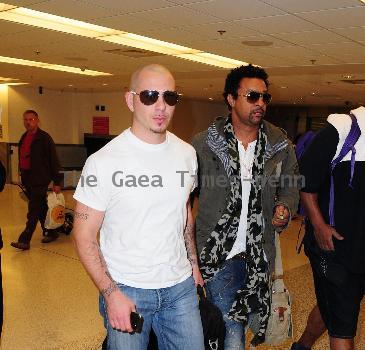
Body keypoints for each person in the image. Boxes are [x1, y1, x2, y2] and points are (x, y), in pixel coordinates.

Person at [73, 64, 204, 350]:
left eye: (169, 97)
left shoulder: (187, 154)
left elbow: (184, 215)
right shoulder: (103, 162)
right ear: (130, 99)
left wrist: (194, 267)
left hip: (180, 288)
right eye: (149, 96)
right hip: (127, 289)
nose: (161, 106)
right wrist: (111, 294)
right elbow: (83, 236)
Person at [192, 64, 299, 348]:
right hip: (218, 255)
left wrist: (285, 209)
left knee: (248, 321)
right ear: (231, 99)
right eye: (253, 96)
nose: (260, 103)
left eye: (265, 97)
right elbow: (184, 199)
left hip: (259, 254)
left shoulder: (280, 145)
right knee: (231, 330)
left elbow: (291, 187)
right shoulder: (205, 144)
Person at [293, 106, 365, 350]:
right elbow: (304, 180)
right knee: (343, 322)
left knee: (335, 308)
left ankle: (301, 346)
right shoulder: (343, 128)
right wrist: (320, 225)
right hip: (334, 247)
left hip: (360, 247)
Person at [10, 110, 63, 250]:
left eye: (31, 119)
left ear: (37, 120)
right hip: (28, 179)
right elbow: (23, 158)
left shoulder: (44, 138)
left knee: (33, 209)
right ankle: (51, 231)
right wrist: (21, 176)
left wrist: (57, 182)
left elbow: (54, 161)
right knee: (41, 208)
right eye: (25, 119)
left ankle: (24, 240)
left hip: (40, 179)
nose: (28, 122)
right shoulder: (24, 137)